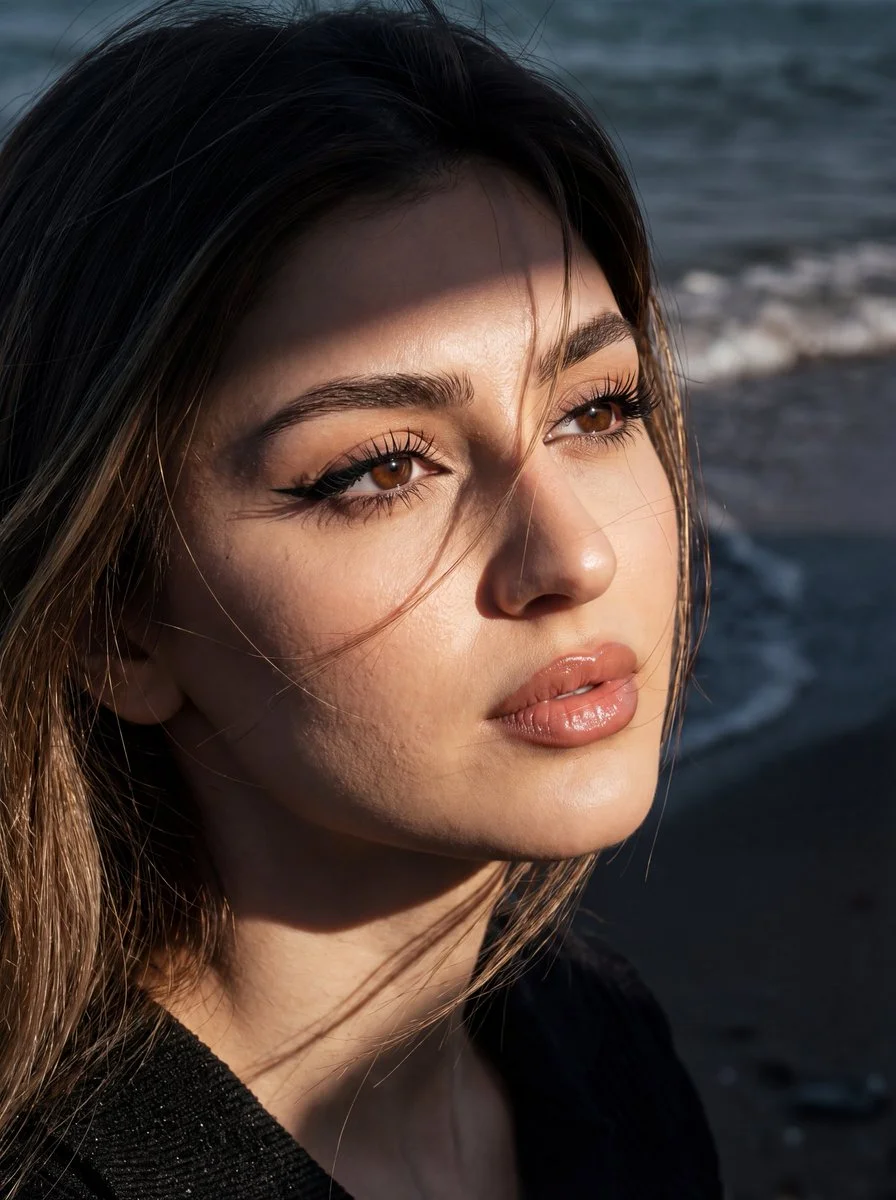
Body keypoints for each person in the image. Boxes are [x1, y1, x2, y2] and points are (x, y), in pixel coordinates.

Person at [0, 1, 720, 1196]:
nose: (575, 558)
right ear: (110, 623)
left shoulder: (592, 1048)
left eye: (594, 409)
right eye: (380, 469)